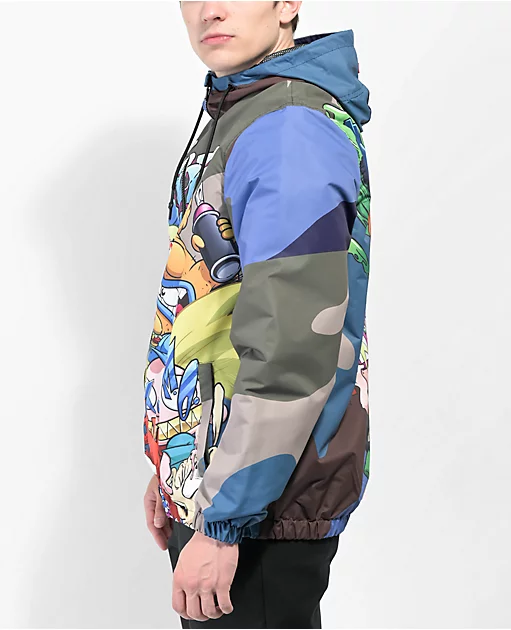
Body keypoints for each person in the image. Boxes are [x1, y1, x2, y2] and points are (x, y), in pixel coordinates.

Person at [142, 1, 372, 627]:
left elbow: (293, 346)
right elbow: (211, 307)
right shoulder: (245, 111)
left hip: (257, 506)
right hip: (228, 484)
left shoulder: (286, 129)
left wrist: (223, 518)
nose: (210, 10)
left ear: (288, 3)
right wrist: (175, 468)